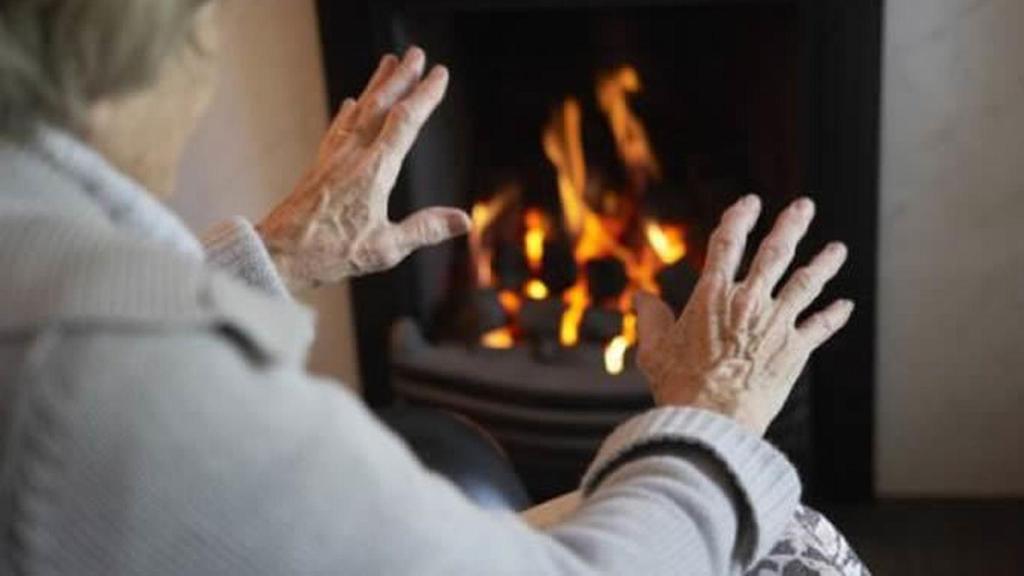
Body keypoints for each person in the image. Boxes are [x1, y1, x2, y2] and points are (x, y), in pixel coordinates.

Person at [0, 1, 866, 574]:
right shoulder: (113, 386)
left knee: (457, 454)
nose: (210, 54)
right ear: (101, 75)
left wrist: (273, 255)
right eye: (195, 22)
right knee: (791, 542)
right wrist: (712, 415)